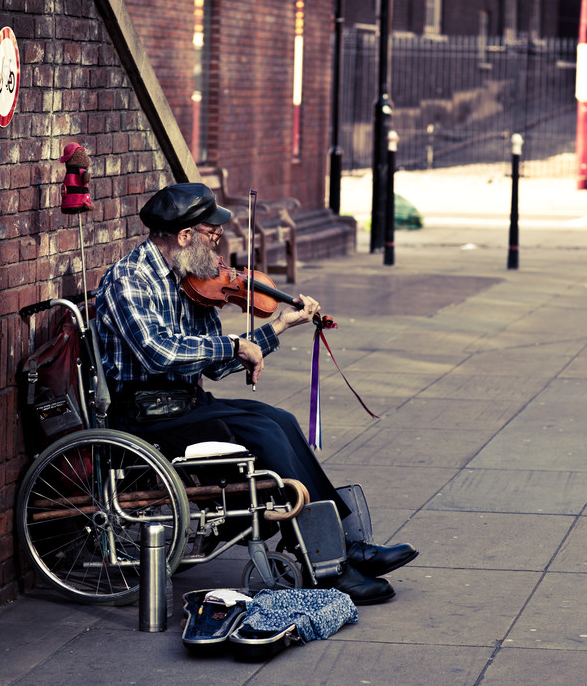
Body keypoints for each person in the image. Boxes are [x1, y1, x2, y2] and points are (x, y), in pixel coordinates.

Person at [93, 182, 417, 605]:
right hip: (147, 413)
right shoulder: (128, 279)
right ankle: (326, 565)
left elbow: (212, 363)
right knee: (261, 432)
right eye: (212, 231)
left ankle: (343, 543)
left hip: (185, 403)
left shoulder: (190, 280)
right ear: (185, 235)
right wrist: (233, 344)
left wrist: (279, 326)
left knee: (278, 420)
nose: (219, 239)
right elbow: (160, 352)